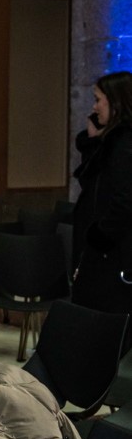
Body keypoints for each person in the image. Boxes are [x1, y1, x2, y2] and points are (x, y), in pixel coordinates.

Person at [71, 70, 132, 317]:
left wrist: (98, 235)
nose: (94, 107)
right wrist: (92, 138)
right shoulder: (112, 142)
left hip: (112, 258)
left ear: (116, 102)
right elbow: (90, 177)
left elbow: (124, 201)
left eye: (98, 100)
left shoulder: (124, 145)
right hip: (103, 254)